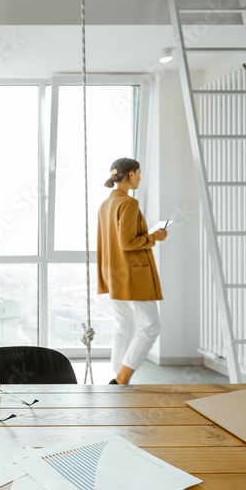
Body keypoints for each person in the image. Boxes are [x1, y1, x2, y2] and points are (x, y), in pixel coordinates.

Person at [97, 157, 166, 385]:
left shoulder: (106, 204)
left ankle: (117, 376)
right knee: (150, 327)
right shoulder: (128, 203)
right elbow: (127, 243)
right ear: (131, 175)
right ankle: (123, 377)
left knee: (123, 326)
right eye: (139, 173)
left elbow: (111, 243)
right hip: (133, 274)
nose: (140, 177)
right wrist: (153, 237)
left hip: (113, 273)